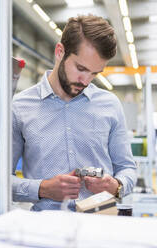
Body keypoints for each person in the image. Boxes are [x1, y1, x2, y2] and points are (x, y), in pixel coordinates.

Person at [12, 15, 137, 211]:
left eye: (95, 73)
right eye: (81, 68)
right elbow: (0, 180)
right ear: (60, 51)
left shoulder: (110, 105)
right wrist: (42, 189)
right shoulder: (20, 107)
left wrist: (116, 186)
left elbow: (127, 168)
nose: (86, 81)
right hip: (45, 231)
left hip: (101, 225)